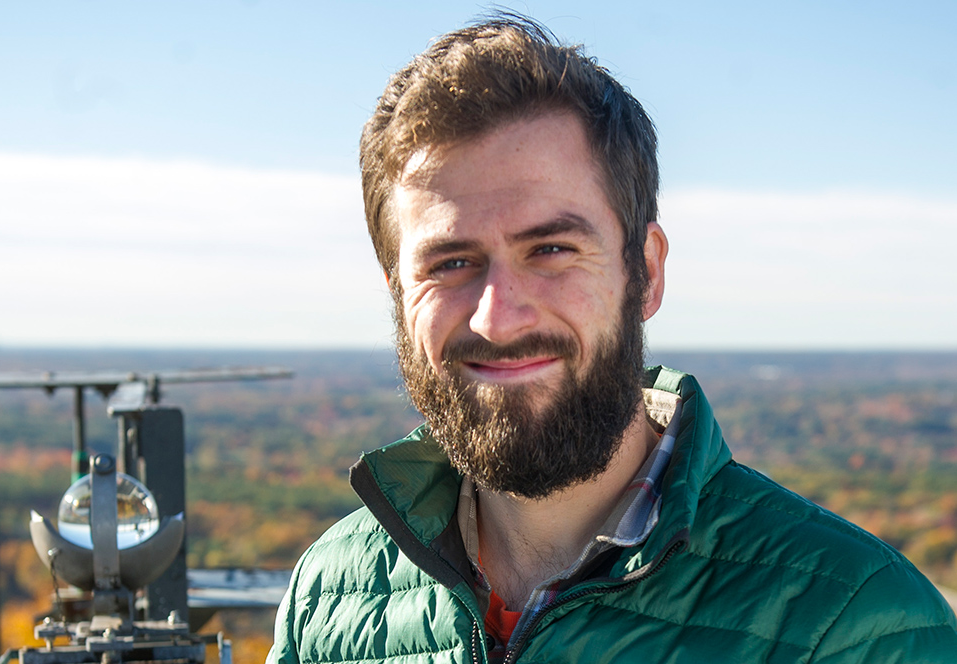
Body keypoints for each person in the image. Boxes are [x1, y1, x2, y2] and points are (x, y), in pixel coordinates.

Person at [269, 15, 957, 663]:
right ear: (396, 291)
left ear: (645, 272)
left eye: (551, 249)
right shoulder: (329, 598)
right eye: (450, 262)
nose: (497, 318)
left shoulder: (854, 624)